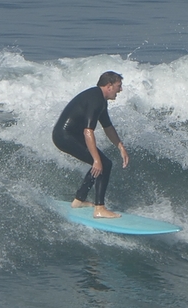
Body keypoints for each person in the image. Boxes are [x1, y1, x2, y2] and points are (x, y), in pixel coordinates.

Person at [52, 71, 130, 218]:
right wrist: (96, 160)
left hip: (68, 136)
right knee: (103, 164)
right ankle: (99, 209)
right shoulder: (96, 100)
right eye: (118, 86)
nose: (120, 89)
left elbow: (108, 127)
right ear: (109, 86)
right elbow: (88, 131)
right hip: (64, 137)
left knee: (102, 164)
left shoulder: (100, 99)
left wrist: (121, 147)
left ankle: (79, 200)